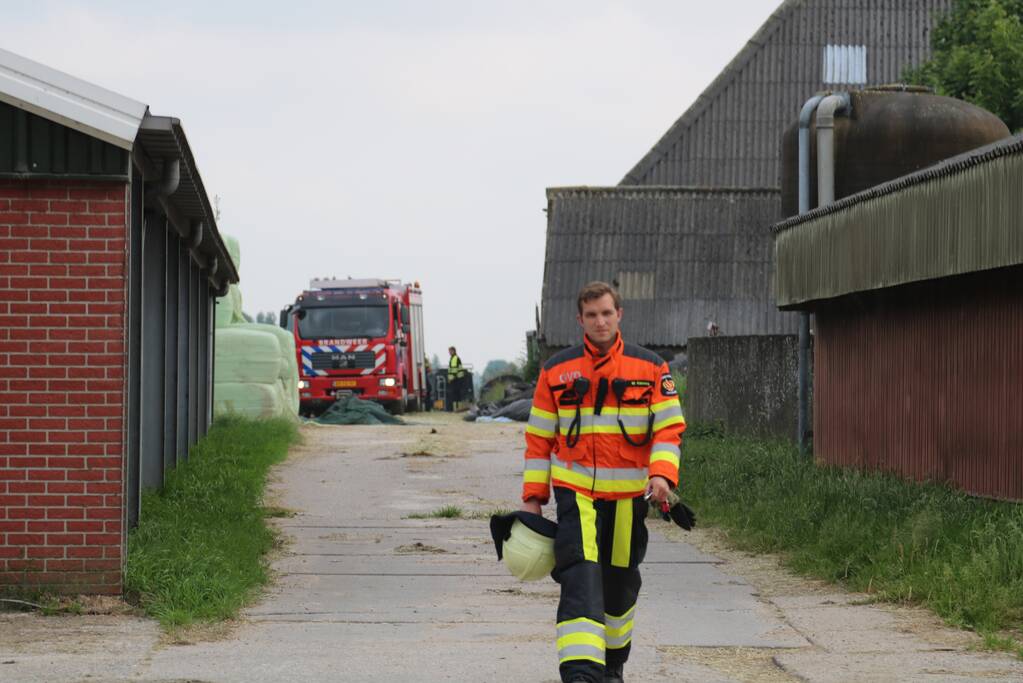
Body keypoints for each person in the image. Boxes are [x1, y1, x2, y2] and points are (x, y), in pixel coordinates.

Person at [520, 281, 686, 683]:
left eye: (606, 313)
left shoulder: (651, 368)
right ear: (580, 319)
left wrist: (662, 475)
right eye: (592, 315)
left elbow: (668, 429)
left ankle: (613, 666)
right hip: (575, 496)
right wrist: (533, 497)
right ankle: (581, 674)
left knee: (620, 586)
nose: (600, 321)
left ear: (619, 315)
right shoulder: (555, 371)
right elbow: (539, 439)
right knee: (580, 577)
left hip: (629, 498)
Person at [446, 346, 466, 411]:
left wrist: (451, 379)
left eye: (450, 351)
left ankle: (455, 408)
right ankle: (457, 408)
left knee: (454, 394)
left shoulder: (454, 358)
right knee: (457, 394)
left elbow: (454, 370)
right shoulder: (454, 358)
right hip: (458, 378)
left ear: (453, 351)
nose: (449, 353)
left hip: (455, 379)